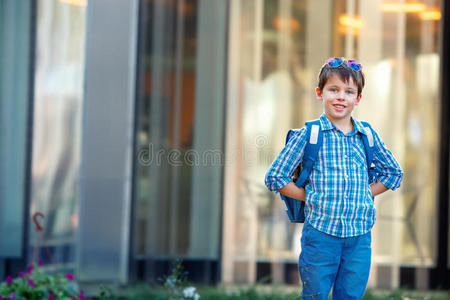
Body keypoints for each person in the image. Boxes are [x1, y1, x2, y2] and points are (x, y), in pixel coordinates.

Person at [264, 57, 404, 300]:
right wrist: (309, 196)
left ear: (358, 98)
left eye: (349, 92)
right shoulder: (309, 135)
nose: (341, 97)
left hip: (359, 237)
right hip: (320, 236)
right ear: (320, 93)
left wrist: (363, 192)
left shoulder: (366, 135)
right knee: (315, 295)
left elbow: (394, 173)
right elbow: (275, 177)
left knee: (350, 296)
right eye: (334, 90)